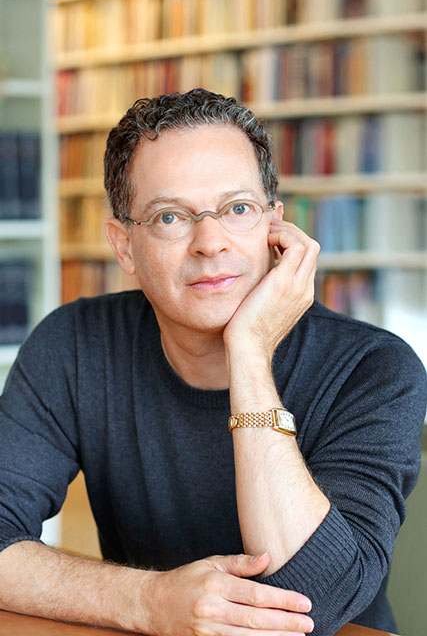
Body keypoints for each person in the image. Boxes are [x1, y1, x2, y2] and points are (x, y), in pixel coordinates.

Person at [0, 89, 425, 636]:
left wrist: (247, 351)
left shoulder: (375, 368)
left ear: (276, 226)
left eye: (238, 209)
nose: (210, 242)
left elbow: (314, 601)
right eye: (170, 216)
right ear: (124, 246)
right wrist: (148, 600)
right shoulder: (74, 344)